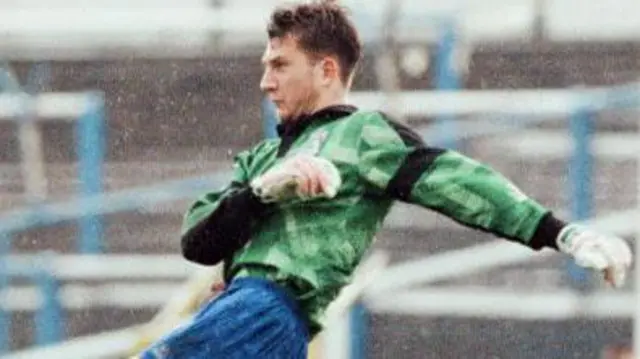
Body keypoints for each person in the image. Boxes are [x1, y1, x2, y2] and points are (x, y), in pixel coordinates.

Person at [136, 1, 633, 358]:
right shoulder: (263, 158)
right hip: (243, 317)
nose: (266, 81)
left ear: (326, 69)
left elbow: (456, 180)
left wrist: (557, 230)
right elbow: (197, 242)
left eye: (280, 65)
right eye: (267, 66)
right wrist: (263, 192)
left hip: (266, 314)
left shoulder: (364, 135)